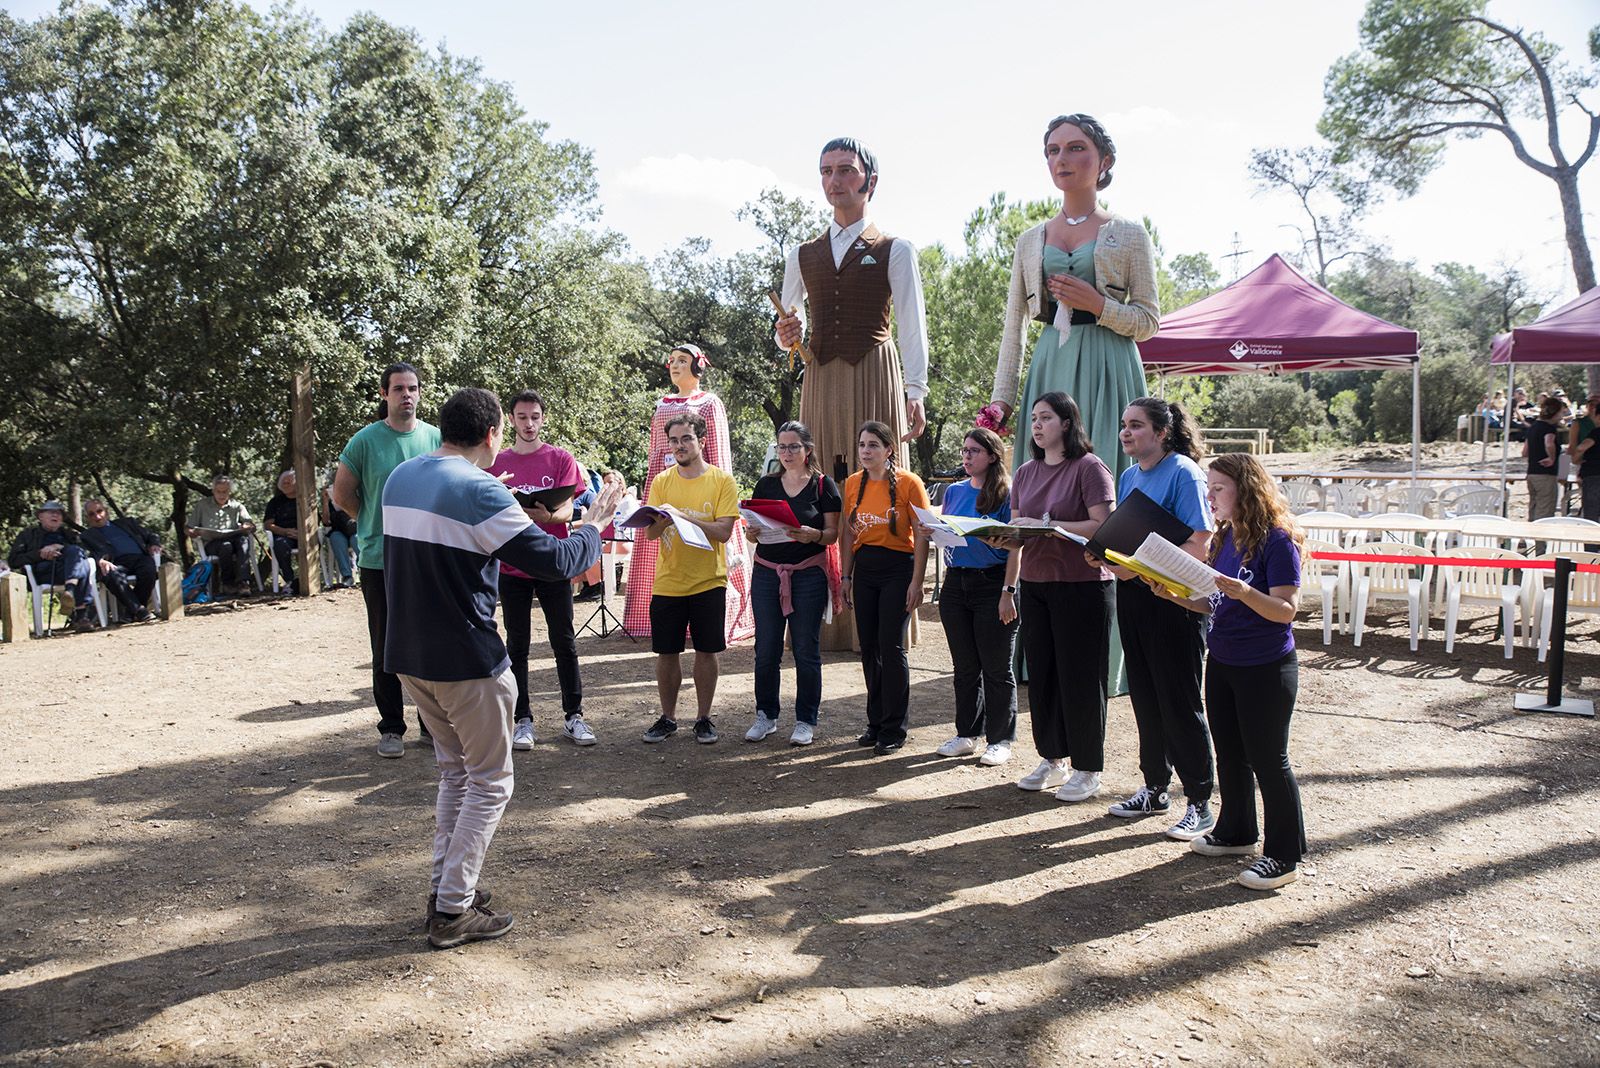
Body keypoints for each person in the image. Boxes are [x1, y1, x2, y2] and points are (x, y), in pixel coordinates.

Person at [382, 387, 624, 948]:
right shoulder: (482, 490)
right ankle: (451, 909)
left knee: (456, 773)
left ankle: (448, 887)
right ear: (493, 434)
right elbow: (560, 561)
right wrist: (598, 519)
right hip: (467, 660)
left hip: (409, 657)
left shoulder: (403, 477)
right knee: (490, 782)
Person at [990, 114, 1157, 693]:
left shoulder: (1129, 235)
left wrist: (1097, 303)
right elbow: (1013, 327)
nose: (1063, 159)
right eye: (1053, 150)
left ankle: (1111, 652)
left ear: (1102, 161)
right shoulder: (1030, 239)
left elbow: (1149, 323)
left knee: (1105, 500)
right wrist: (1000, 404)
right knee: (1040, 501)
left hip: (1111, 368)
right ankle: (1039, 651)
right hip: (1050, 367)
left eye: (1076, 148)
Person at [775, 138, 930, 650]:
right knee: (823, 483)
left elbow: (912, 323)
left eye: (845, 170)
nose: (835, 180)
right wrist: (787, 334)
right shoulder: (800, 254)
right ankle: (827, 618)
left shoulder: (896, 249)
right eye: (826, 171)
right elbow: (786, 327)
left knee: (880, 485)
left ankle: (883, 617)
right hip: (820, 371)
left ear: (869, 180)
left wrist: (916, 388)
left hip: (874, 366)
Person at [1144, 453, 1307, 891]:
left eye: (1218, 488)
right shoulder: (1224, 538)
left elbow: (1285, 611)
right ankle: (1237, 831)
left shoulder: (1278, 540)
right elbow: (1209, 602)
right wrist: (1171, 594)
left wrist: (1246, 591)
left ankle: (1284, 855)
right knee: (1230, 754)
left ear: (1245, 488)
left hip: (1266, 665)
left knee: (1269, 760)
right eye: (1209, 488)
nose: (1210, 496)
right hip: (1222, 659)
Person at [1095, 397, 1217, 840]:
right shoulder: (1128, 476)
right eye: (1124, 425)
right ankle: (1154, 788)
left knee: (1180, 700)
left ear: (1162, 432)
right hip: (1134, 597)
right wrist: (1107, 557)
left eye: (1137, 426)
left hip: (1176, 601)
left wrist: (1140, 569)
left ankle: (1200, 802)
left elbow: (1199, 543)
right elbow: (1127, 536)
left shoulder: (1185, 472)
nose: (1126, 433)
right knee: (1145, 694)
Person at [995, 393, 1116, 800]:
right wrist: (1001, 538)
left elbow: (1103, 526)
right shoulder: (1026, 471)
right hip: (1037, 583)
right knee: (1043, 677)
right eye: (1033, 418)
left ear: (1067, 423)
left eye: (1046, 417)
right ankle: (1053, 758)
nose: (1037, 424)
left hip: (1083, 585)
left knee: (1080, 678)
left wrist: (1046, 525)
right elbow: (1017, 530)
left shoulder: (1089, 467)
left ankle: (1087, 767)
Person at [332, 362, 443, 758]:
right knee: (386, 643)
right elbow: (341, 493)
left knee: (430, 641)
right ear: (385, 395)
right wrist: (368, 518)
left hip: (427, 557)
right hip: (379, 558)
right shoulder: (364, 441)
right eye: (398, 389)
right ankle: (392, 727)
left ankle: (432, 725)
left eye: (412, 388)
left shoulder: (436, 437)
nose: (406, 395)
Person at [621, 344, 754, 645]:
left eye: (683, 361)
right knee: (660, 544)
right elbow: (655, 451)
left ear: (698, 367)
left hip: (702, 487)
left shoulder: (709, 402)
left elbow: (718, 451)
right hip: (666, 484)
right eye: (672, 361)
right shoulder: (661, 404)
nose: (675, 366)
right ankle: (650, 618)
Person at [486, 388, 596, 750]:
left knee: (564, 641)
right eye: (521, 417)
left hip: (553, 561)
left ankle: (573, 716)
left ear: (542, 419)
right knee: (517, 645)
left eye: (535, 416)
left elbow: (569, 509)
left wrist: (548, 515)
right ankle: (522, 720)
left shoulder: (561, 458)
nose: (529, 423)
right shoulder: (496, 462)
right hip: (512, 565)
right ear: (511, 420)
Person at [638, 412, 741, 745]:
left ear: (703, 442)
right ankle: (668, 718)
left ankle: (703, 718)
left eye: (687, 439)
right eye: (674, 440)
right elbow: (651, 534)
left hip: (709, 581)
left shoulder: (722, 481)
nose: (679, 446)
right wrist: (664, 521)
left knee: (706, 652)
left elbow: (724, 532)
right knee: (666, 654)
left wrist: (683, 517)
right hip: (668, 582)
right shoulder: (661, 482)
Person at [743, 420, 841, 747]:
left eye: (793, 447)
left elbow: (832, 534)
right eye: (782, 446)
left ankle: (805, 720)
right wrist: (751, 533)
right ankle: (766, 715)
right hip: (767, 573)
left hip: (808, 574)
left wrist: (815, 535)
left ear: (807, 449)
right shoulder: (766, 485)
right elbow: (753, 532)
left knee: (805, 650)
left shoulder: (824, 486)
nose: (787, 453)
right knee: (766, 648)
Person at [927, 427, 1017, 767]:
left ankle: (1000, 739)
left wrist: (1008, 592)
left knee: (996, 667)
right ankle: (967, 734)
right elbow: (950, 535)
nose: (966, 456)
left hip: (993, 584)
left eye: (974, 451)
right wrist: (934, 530)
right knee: (964, 666)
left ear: (992, 456)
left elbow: (1016, 547)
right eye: (964, 450)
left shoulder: (1007, 494)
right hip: (956, 582)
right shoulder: (954, 492)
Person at [839, 420, 931, 755]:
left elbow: (923, 534)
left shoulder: (910, 483)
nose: (866, 451)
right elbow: (848, 533)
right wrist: (845, 576)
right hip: (865, 570)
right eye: (862, 445)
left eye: (874, 445)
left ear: (889, 449)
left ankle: (894, 727)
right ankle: (875, 723)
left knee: (891, 648)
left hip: (898, 569)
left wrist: (917, 582)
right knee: (870, 648)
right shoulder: (852, 484)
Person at [7, 500, 98, 631]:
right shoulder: (27, 535)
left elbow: (86, 552)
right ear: (40, 516)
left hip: (66, 572)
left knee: (79, 557)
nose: (56, 515)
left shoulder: (69, 535)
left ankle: (71, 593)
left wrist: (61, 547)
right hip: (44, 572)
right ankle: (81, 614)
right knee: (82, 566)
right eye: (51, 512)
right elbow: (14, 560)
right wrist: (40, 554)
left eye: (59, 513)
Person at [81, 498, 161, 623]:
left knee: (149, 569)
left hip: (139, 558)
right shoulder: (87, 535)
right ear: (87, 518)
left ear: (106, 512)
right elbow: (85, 553)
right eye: (92, 514)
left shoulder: (127, 523)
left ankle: (131, 612)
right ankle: (140, 611)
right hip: (115, 563)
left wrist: (154, 544)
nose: (97, 516)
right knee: (110, 574)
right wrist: (99, 561)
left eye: (99, 511)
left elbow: (151, 535)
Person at [185, 474, 256, 594]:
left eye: (225, 492)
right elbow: (188, 528)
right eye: (219, 491)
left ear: (230, 491)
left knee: (243, 541)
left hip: (234, 539)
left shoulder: (237, 506)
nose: (222, 495)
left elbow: (251, 525)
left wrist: (247, 526)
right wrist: (192, 533)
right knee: (225, 546)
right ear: (213, 491)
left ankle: (243, 583)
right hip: (211, 543)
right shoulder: (202, 505)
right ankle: (227, 584)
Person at [1524, 395, 1563, 520]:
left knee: (1533, 506)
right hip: (1545, 474)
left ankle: (1528, 537)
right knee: (1545, 509)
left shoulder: (1533, 427)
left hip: (1532, 473)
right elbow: (1549, 443)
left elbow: (1525, 452)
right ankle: (1540, 539)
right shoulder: (1549, 428)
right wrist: (1551, 458)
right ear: (1555, 413)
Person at [262, 470, 302, 595]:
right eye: (283, 482)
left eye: (288, 482)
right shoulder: (275, 502)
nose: (285, 484)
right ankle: (289, 580)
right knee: (279, 545)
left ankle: (307, 579)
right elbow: (268, 524)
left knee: (312, 543)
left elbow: (316, 521)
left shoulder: (304, 499)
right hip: (284, 536)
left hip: (303, 535)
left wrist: (301, 533)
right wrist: (285, 531)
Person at [320, 477, 357, 588]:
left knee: (356, 539)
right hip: (338, 530)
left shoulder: (355, 496)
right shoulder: (331, 502)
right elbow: (326, 522)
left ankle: (364, 572)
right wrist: (325, 502)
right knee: (336, 539)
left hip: (353, 529)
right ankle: (347, 576)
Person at [1572, 396, 1600, 523]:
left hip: (1593, 476)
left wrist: (1576, 459)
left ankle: (1591, 542)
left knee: (1591, 515)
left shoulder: (1596, 433)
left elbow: (1580, 448)